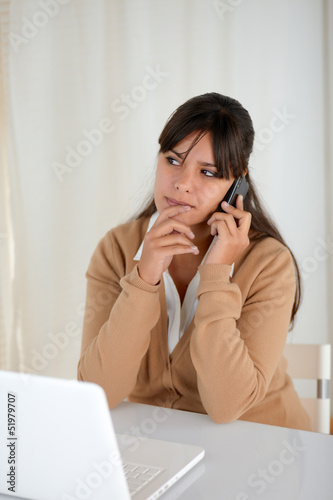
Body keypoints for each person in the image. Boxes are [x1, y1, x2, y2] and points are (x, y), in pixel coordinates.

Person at [77, 92, 311, 431]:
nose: (182, 184)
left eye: (208, 172)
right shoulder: (116, 248)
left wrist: (216, 274)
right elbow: (96, 393)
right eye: (173, 160)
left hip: (259, 443)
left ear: (237, 182)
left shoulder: (268, 263)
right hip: (161, 446)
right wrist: (145, 278)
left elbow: (226, 406)